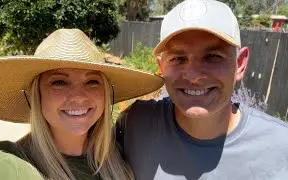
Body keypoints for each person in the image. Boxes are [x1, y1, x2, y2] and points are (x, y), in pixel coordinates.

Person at [117, 0, 288, 179]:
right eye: (178, 58)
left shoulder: (281, 147)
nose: (193, 75)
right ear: (162, 67)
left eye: (213, 56)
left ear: (240, 64)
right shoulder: (135, 124)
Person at [0, 29, 163, 180]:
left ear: (105, 93)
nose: (78, 97)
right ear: (37, 94)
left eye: (92, 82)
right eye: (59, 82)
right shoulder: (6, 165)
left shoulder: (117, 156)